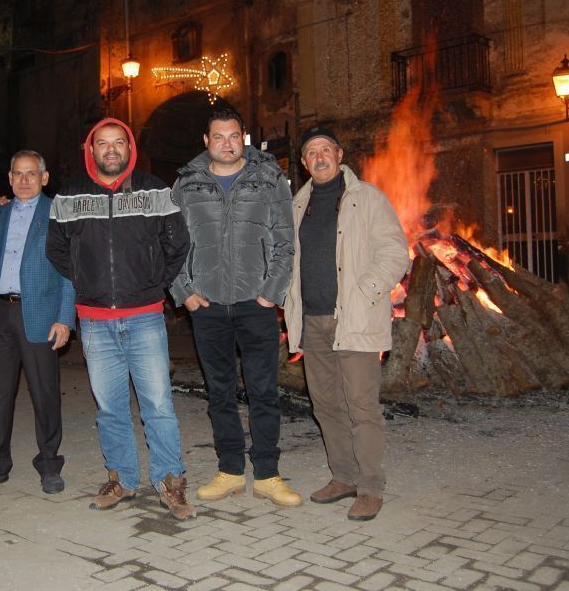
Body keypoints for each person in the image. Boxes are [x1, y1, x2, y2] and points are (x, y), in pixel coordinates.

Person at [47, 118, 196, 521]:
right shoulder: (69, 196)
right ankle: (122, 478)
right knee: (109, 407)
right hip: (94, 322)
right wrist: (86, 282)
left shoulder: (155, 190)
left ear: (130, 148)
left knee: (158, 404)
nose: (110, 149)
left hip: (145, 316)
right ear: (90, 149)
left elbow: (177, 243)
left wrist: (154, 284)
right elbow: (57, 250)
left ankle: (171, 481)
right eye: (102, 143)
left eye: (118, 142)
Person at [170, 107, 300, 507]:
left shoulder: (269, 178)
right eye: (218, 136)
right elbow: (168, 245)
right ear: (205, 141)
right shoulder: (185, 185)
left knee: (263, 391)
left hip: (255, 304)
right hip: (206, 307)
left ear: (243, 137)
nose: (226, 143)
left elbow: (284, 241)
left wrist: (270, 294)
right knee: (220, 393)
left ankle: (267, 474)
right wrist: (185, 292)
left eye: (233, 136)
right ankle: (229, 470)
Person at [283, 127, 409, 521]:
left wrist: (366, 288)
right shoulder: (297, 204)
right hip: (311, 321)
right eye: (311, 153)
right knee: (326, 405)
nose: (319, 157)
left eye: (325, 150)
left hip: (353, 318)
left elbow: (395, 251)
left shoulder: (366, 198)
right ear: (304, 164)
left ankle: (371, 486)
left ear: (339, 154)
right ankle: (344, 476)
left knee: (361, 405)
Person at [0, 150, 75, 494]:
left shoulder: (58, 213)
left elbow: (70, 270)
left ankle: (49, 463)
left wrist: (64, 318)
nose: (24, 180)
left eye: (31, 174)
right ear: (9, 178)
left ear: (44, 178)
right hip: (0, 314)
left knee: (45, 394)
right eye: (18, 174)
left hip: (40, 314)